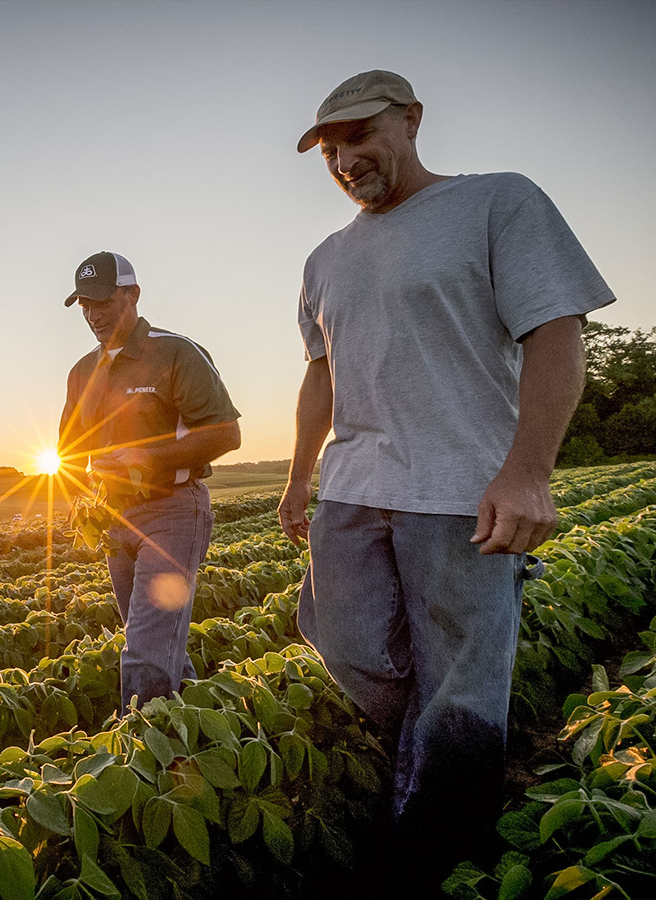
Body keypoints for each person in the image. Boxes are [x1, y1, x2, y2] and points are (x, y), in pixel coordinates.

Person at [278, 70, 615, 892]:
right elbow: (320, 377)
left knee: (464, 686)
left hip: (463, 487)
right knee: (345, 643)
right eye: (330, 149)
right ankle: (427, 764)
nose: (346, 159)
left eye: (360, 137)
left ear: (412, 120)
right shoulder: (325, 259)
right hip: (354, 487)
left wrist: (529, 471)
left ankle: (438, 853)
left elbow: (555, 331)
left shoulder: (498, 202)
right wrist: (296, 483)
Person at [58, 250, 241, 713]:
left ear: (133, 295)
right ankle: (201, 738)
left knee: (144, 651)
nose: (94, 315)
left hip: (173, 511)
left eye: (103, 302)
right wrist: (82, 504)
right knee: (158, 650)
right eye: (84, 305)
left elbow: (226, 433)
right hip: (115, 518)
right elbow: (68, 453)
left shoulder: (176, 351)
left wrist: (146, 456)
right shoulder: (82, 372)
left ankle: (144, 765)